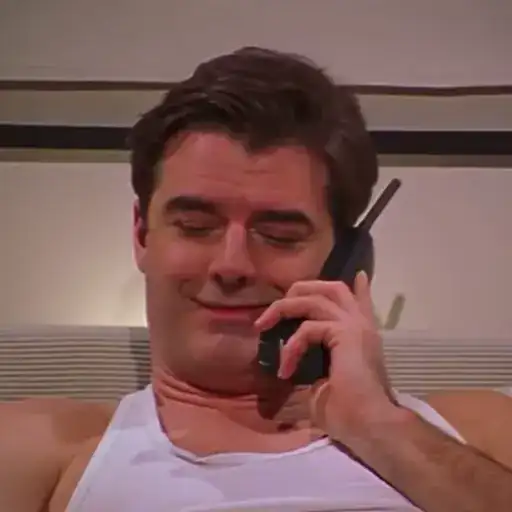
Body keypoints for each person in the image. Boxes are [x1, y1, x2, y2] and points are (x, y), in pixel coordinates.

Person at [1, 47, 511, 512]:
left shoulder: (474, 430)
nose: (232, 265)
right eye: (195, 226)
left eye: (280, 236)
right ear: (141, 235)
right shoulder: (42, 447)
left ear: (348, 260)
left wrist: (381, 427)